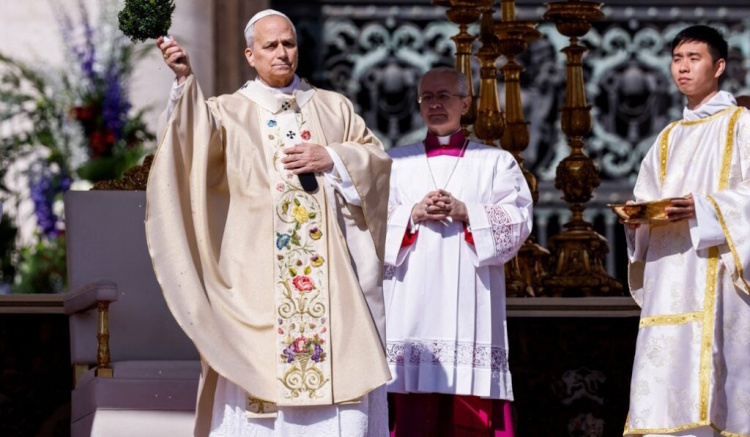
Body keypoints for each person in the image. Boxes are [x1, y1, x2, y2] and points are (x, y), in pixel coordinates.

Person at [146, 9, 392, 437]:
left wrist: (331, 157)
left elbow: (377, 162)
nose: (282, 52)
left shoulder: (334, 107)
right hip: (257, 282)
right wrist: (185, 80)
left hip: (333, 287)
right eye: (270, 45)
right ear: (250, 55)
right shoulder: (227, 111)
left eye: (289, 44)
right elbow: (186, 143)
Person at [383, 67, 533, 436]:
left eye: (444, 96)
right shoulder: (394, 162)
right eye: (427, 97)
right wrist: (412, 213)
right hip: (411, 301)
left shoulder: (495, 162)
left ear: (465, 104)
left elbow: (519, 219)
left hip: (470, 298)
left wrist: (468, 212)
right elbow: (368, 222)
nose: (435, 104)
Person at [623, 25, 750, 437]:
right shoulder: (667, 138)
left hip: (719, 276)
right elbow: (647, 197)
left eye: (694, 59)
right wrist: (637, 220)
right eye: (677, 59)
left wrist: (706, 208)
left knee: (716, 388)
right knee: (664, 393)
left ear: (719, 66)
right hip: (669, 276)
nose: (683, 68)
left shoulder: (742, 124)